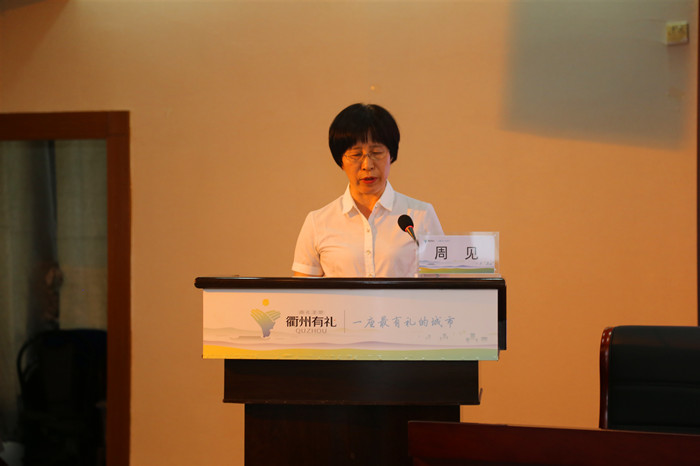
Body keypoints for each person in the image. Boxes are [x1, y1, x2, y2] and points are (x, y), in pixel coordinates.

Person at [292, 103, 443, 277]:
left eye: (377, 152)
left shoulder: (421, 215)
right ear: (341, 161)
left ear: (391, 155)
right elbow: (303, 290)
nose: (367, 165)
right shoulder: (318, 223)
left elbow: (442, 285)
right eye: (356, 155)